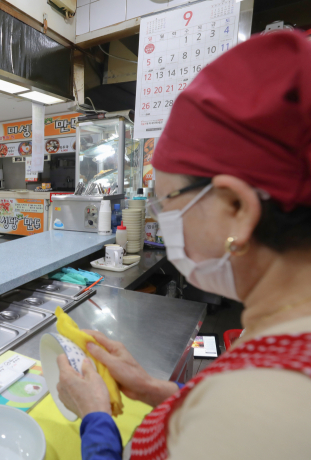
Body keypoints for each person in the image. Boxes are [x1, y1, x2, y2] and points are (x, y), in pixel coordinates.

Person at [56, 31, 311, 459]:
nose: (161, 218)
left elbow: (228, 424)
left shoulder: (263, 411)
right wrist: (155, 389)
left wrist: (94, 417)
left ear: (236, 208)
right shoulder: (283, 335)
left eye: (168, 202)